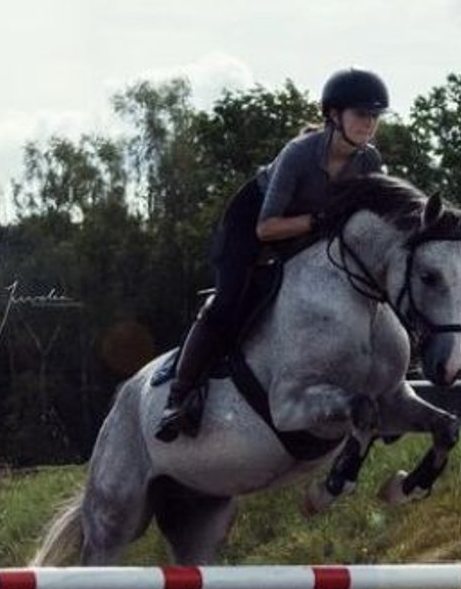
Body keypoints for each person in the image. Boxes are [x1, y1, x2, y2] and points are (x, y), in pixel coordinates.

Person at [154, 66, 390, 442]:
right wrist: (319, 220)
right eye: (362, 114)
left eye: (375, 116)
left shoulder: (369, 161)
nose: (369, 123)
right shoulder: (298, 154)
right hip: (251, 225)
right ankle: (178, 397)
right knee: (229, 301)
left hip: (307, 230)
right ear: (333, 115)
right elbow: (266, 228)